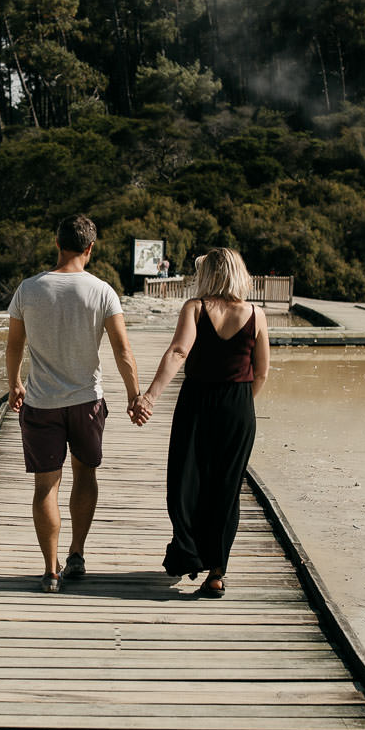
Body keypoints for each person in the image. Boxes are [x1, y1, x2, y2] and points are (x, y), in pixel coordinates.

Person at [5, 215, 144, 592]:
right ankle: (76, 554)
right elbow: (122, 350)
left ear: (57, 243)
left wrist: (15, 382)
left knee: (45, 486)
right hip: (87, 402)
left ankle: (50, 570)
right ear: (91, 248)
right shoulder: (102, 292)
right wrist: (134, 396)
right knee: (85, 475)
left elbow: (15, 344)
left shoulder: (28, 289)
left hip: (42, 403)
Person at [133, 248, 269, 598]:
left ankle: (190, 551)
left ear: (208, 275)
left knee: (185, 481)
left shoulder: (195, 308)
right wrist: (239, 407)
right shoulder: (257, 314)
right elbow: (262, 371)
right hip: (239, 406)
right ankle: (216, 574)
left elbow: (178, 352)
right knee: (226, 490)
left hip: (196, 402)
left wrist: (149, 397)